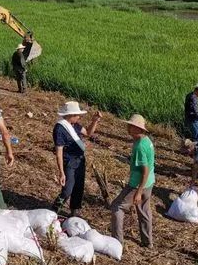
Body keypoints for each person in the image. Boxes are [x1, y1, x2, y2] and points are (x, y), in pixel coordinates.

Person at [110, 114, 155, 248]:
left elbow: (145, 170)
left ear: (137, 129)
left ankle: (117, 242)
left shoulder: (140, 146)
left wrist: (138, 191)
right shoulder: (147, 141)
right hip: (149, 183)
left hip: (137, 184)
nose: (128, 128)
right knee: (144, 211)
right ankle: (148, 243)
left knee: (117, 208)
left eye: (131, 126)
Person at [53, 101, 102, 217]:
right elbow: (59, 152)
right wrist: (61, 172)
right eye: (77, 115)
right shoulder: (60, 128)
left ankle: (74, 212)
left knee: (78, 187)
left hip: (80, 161)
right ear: (70, 115)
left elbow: (88, 133)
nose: (79, 117)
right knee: (67, 190)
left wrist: (94, 121)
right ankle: (54, 210)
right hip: (69, 162)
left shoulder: (76, 125)